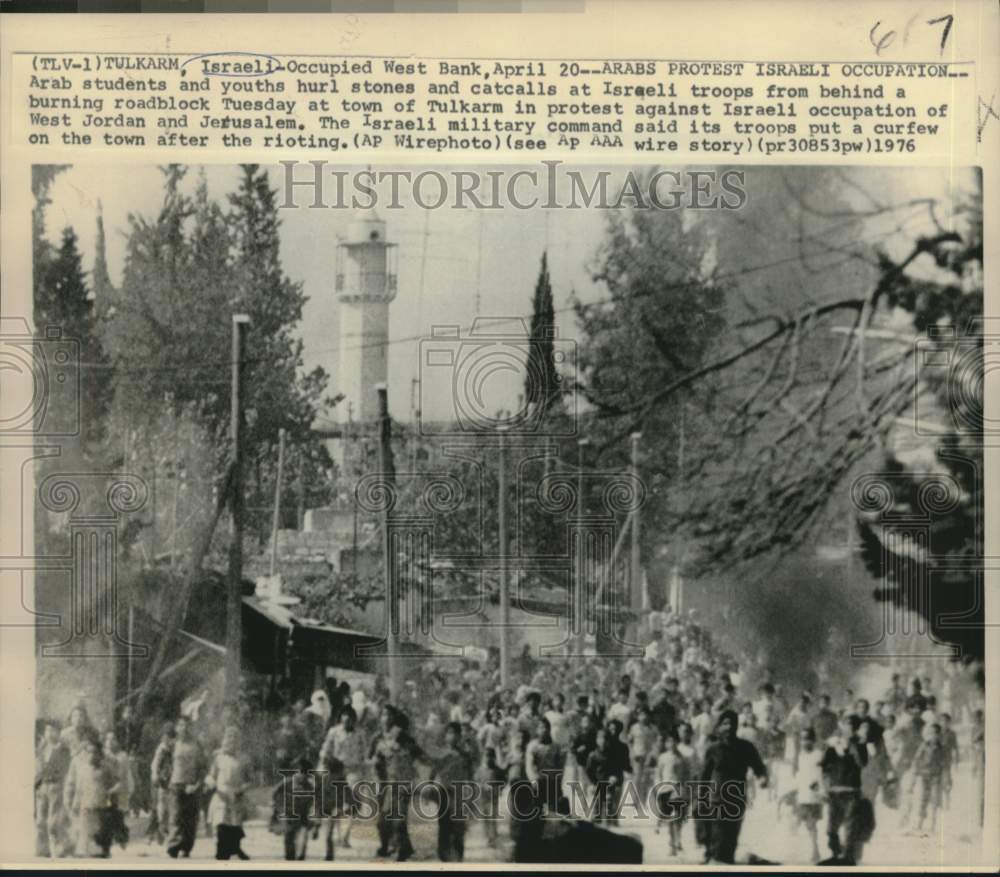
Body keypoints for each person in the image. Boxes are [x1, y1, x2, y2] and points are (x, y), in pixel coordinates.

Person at [697, 709, 768, 864]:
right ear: (719, 727)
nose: (729, 727)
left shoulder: (746, 747)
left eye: (732, 724)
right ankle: (715, 860)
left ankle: (723, 862)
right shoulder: (713, 749)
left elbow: (759, 767)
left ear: (737, 726)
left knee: (731, 842)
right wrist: (700, 801)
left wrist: (762, 778)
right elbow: (703, 778)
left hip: (737, 801)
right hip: (717, 801)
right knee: (718, 840)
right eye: (725, 724)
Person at [820, 714, 870, 864]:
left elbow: (862, 763)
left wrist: (853, 746)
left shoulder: (860, 745)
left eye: (852, 726)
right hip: (834, 791)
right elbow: (823, 766)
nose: (849, 728)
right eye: (846, 725)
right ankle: (836, 853)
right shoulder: (833, 744)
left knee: (850, 827)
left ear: (856, 729)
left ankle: (848, 858)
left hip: (852, 790)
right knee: (831, 829)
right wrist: (824, 787)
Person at [319, 707, 366, 850]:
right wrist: (323, 765)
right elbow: (325, 749)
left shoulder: (360, 734)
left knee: (353, 803)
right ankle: (339, 836)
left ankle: (346, 835)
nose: (347, 719)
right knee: (337, 804)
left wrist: (364, 768)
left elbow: (364, 753)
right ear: (340, 718)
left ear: (354, 719)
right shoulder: (334, 732)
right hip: (337, 770)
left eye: (350, 717)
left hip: (353, 770)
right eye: (344, 716)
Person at [63, 738, 117, 858]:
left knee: (100, 838)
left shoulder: (106, 768)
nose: (92, 755)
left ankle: (101, 853)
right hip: (86, 807)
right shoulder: (83, 769)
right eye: (89, 752)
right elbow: (78, 788)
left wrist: (111, 800)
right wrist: (74, 803)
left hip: (102, 807)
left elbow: (114, 785)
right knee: (85, 837)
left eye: (95, 752)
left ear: (100, 754)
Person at [206, 726, 251, 860]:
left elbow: (249, 779)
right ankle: (222, 852)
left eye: (235, 737)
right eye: (228, 737)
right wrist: (212, 784)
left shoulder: (244, 758)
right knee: (221, 824)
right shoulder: (218, 757)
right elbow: (211, 775)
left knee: (235, 825)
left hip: (236, 794)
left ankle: (236, 848)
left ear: (239, 741)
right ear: (224, 739)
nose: (231, 740)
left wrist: (241, 790)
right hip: (221, 794)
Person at [432, 721, 473, 862]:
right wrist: (430, 786)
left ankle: (458, 857)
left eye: (456, 733)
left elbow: (470, 776)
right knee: (444, 824)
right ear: (445, 736)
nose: (453, 736)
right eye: (450, 733)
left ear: (460, 736)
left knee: (458, 826)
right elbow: (433, 771)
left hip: (459, 793)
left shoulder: (465, 755)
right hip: (443, 791)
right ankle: (443, 856)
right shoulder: (441, 754)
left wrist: (471, 797)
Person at [166, 715, 205, 859]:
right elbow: (163, 762)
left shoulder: (196, 745)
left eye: (187, 725)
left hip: (192, 784)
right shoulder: (171, 745)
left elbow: (202, 766)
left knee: (190, 818)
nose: (184, 728)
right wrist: (162, 778)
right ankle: (173, 846)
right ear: (177, 728)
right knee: (176, 816)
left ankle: (186, 847)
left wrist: (197, 784)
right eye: (181, 725)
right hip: (176, 784)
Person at [35, 721, 71, 858]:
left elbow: (66, 770)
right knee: (40, 821)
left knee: (53, 821)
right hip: (42, 787)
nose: (49, 734)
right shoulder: (42, 748)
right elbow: (38, 768)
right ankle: (42, 850)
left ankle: (58, 849)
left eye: (53, 730)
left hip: (56, 787)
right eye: (47, 731)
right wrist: (37, 784)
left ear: (59, 732)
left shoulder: (63, 750)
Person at [654, 731, 691, 856]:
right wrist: (658, 787)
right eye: (669, 741)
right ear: (666, 744)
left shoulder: (683, 758)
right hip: (665, 789)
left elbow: (687, 774)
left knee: (677, 817)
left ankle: (676, 842)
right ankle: (673, 842)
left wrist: (687, 788)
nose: (672, 744)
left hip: (678, 790)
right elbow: (658, 773)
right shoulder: (662, 757)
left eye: (674, 741)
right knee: (670, 818)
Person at [272, 755, 316, 861]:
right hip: (293, 814)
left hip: (298, 815)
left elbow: (312, 802)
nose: (303, 777)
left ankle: (296, 858)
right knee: (292, 840)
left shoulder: (306, 785)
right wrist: (277, 807)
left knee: (295, 840)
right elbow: (275, 793)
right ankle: (293, 859)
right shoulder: (291, 782)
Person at [907, 723, 945, 834]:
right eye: (930, 733)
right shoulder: (924, 745)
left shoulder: (941, 747)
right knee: (923, 799)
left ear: (938, 735)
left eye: (935, 733)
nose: (932, 735)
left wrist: (944, 775)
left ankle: (933, 823)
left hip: (936, 776)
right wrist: (914, 775)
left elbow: (945, 763)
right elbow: (916, 759)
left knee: (935, 799)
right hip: (924, 775)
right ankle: (920, 822)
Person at [794, 728, 823, 862]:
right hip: (802, 794)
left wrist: (819, 788)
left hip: (814, 795)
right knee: (804, 823)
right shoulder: (800, 756)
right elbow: (798, 775)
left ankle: (815, 850)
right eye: (803, 739)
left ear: (813, 740)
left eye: (808, 739)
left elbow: (822, 773)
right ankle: (812, 849)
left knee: (812, 824)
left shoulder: (818, 755)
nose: (805, 742)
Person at [147, 723, 175, 845]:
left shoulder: (173, 748)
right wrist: (155, 775)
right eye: (165, 737)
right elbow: (154, 765)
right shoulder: (161, 749)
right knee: (157, 807)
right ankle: (152, 833)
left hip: (170, 780)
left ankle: (163, 831)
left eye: (169, 737)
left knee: (167, 808)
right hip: (160, 781)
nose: (167, 739)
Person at [475, 747, 506, 848]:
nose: (488, 759)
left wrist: (499, 788)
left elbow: (504, 781)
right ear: (483, 757)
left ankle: (492, 838)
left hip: (493, 797)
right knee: (485, 817)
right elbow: (476, 781)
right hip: (483, 797)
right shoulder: (480, 770)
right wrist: (482, 786)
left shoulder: (498, 770)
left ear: (494, 758)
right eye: (486, 756)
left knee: (492, 816)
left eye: (490, 756)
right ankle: (487, 835)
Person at [627, 706, 659, 802]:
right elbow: (629, 742)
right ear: (638, 716)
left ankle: (644, 800)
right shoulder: (634, 727)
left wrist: (653, 754)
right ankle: (635, 800)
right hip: (637, 756)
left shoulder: (653, 728)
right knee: (637, 779)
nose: (643, 717)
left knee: (646, 780)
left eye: (645, 714)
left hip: (648, 756)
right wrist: (632, 753)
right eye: (641, 714)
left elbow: (656, 743)